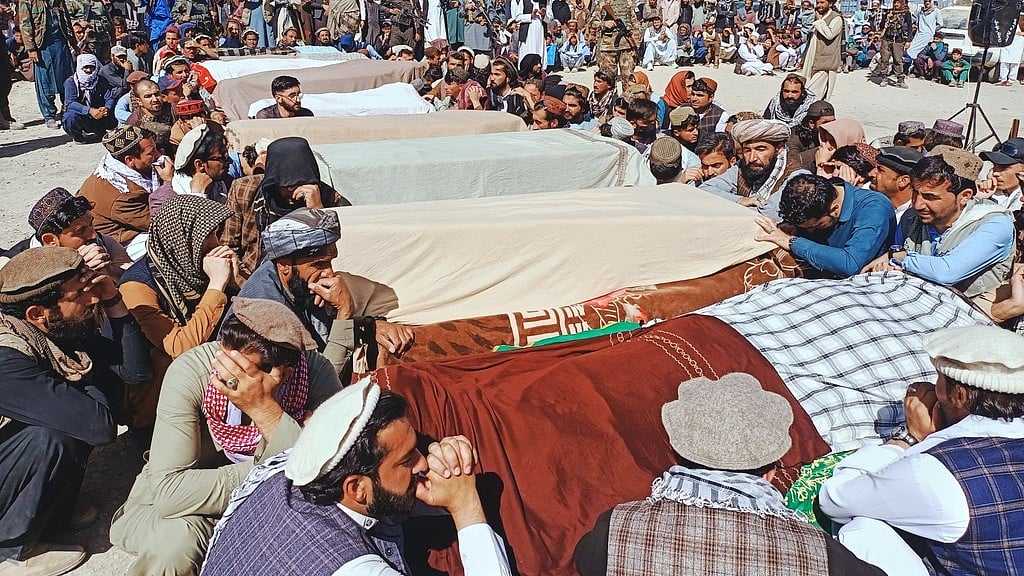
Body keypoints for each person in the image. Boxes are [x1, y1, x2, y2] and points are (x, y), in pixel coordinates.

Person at [109, 297, 344, 575]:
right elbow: (170, 493)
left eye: (240, 372)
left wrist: (265, 410)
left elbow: (335, 471)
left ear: (283, 373)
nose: (222, 372)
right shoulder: (193, 372)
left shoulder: (312, 374)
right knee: (178, 546)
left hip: (271, 504)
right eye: (224, 358)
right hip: (188, 510)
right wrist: (273, 464)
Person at [574, 373, 886, 576]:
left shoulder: (617, 527)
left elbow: (585, 560)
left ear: (678, 455)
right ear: (770, 473)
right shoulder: (819, 554)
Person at [201, 380, 512, 575]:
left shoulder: (295, 467)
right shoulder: (348, 567)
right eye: (407, 460)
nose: (422, 462)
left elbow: (385, 496)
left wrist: (444, 475)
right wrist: (465, 505)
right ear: (357, 488)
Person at [819, 325, 1024, 576]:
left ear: (959, 395)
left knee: (862, 530)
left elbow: (835, 499)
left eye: (939, 379)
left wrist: (910, 437)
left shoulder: (935, 472)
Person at [0, 249, 142, 576]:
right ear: (37, 313)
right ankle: (11, 550)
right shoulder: (7, 359)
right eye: (80, 294)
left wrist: (113, 301)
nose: (92, 299)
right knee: (52, 435)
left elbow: (136, 372)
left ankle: (51, 516)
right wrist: (89, 377)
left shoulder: (53, 326)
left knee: (72, 408)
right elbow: (98, 427)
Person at [232, 207, 413, 376]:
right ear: (285, 265)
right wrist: (344, 312)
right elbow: (321, 382)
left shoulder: (296, 283)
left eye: (330, 262)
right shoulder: (266, 311)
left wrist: (370, 326)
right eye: (319, 264)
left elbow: (324, 331)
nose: (330, 273)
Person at [863, 147, 1014, 316]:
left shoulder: (994, 224)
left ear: (964, 196)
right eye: (915, 193)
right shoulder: (912, 217)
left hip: (968, 319)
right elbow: (895, 260)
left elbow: (946, 272)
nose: (918, 204)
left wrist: (901, 257)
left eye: (930, 197)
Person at [223, 136, 351, 279]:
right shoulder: (244, 191)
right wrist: (249, 284)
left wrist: (316, 212)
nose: (295, 193)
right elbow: (228, 247)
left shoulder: (328, 198)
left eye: (301, 185)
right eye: (288, 187)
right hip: (252, 274)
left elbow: (338, 253)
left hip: (308, 278)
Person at [754, 173, 894, 278]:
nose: (810, 231)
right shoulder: (818, 196)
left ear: (834, 209)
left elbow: (850, 263)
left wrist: (793, 242)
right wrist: (793, 229)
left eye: (816, 226)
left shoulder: (874, 209)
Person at [79, 125, 173, 260]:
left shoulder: (117, 166)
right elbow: (163, 221)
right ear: (129, 160)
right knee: (173, 239)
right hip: (117, 244)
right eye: (151, 153)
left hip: (132, 227)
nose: (158, 155)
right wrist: (168, 182)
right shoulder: (123, 194)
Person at [0, 188, 133, 281]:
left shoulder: (104, 243)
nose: (92, 235)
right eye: (81, 231)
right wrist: (73, 272)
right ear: (51, 240)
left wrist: (109, 271)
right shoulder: (10, 266)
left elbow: (135, 278)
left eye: (91, 224)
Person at [701, 118, 809, 220]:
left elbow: (771, 214)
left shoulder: (797, 176)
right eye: (747, 150)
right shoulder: (742, 167)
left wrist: (725, 205)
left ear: (779, 148)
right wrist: (739, 200)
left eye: (760, 150)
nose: (752, 158)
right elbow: (705, 189)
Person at [18, 0, 76, 129]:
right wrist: (31, 48)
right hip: (42, 45)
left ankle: (67, 109)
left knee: (66, 78)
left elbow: (66, 19)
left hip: (60, 42)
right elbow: (25, 24)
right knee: (45, 81)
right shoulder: (28, 1)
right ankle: (49, 116)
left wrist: (73, 42)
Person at [150, 123, 231, 214]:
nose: (230, 161)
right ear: (199, 165)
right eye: (222, 158)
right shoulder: (163, 200)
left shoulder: (226, 184)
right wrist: (198, 196)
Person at [61, 53, 117, 143]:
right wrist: (89, 111)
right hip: (82, 115)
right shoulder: (71, 82)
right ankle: (78, 137)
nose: (89, 70)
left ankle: (101, 132)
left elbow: (109, 98)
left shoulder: (101, 80)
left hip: (99, 115)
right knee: (69, 116)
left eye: (92, 67)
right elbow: (70, 103)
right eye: (85, 67)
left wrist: (106, 108)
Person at [799, 0, 842, 100]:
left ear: (830, 4)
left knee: (813, 93)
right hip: (812, 59)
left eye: (822, 2)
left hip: (826, 63)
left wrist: (819, 21)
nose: (819, 5)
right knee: (807, 87)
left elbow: (830, 35)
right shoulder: (818, 17)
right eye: (817, 2)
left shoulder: (836, 18)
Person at [590, 0, 639, 87]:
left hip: (627, 47)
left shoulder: (628, 3)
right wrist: (604, 23)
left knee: (628, 78)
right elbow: (593, 22)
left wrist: (635, 46)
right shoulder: (603, 3)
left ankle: (628, 96)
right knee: (608, 78)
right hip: (608, 47)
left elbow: (635, 25)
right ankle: (610, 96)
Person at [873, 145, 922, 220]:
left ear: (903, 181)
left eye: (880, 170)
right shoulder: (871, 203)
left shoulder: (918, 219)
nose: (872, 174)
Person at [870, 0, 911, 89]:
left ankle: (900, 79)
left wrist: (908, 41)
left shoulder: (906, 13)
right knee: (884, 59)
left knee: (898, 60)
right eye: (895, 2)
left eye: (898, 2)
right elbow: (881, 26)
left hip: (898, 40)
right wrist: (887, 19)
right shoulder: (888, 12)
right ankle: (884, 77)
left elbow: (909, 27)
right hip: (886, 38)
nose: (896, 4)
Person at [978, 138, 1024, 212]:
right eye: (994, 165)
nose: (995, 173)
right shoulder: (991, 191)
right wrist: (979, 200)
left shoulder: (1021, 201)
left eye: (1004, 167)